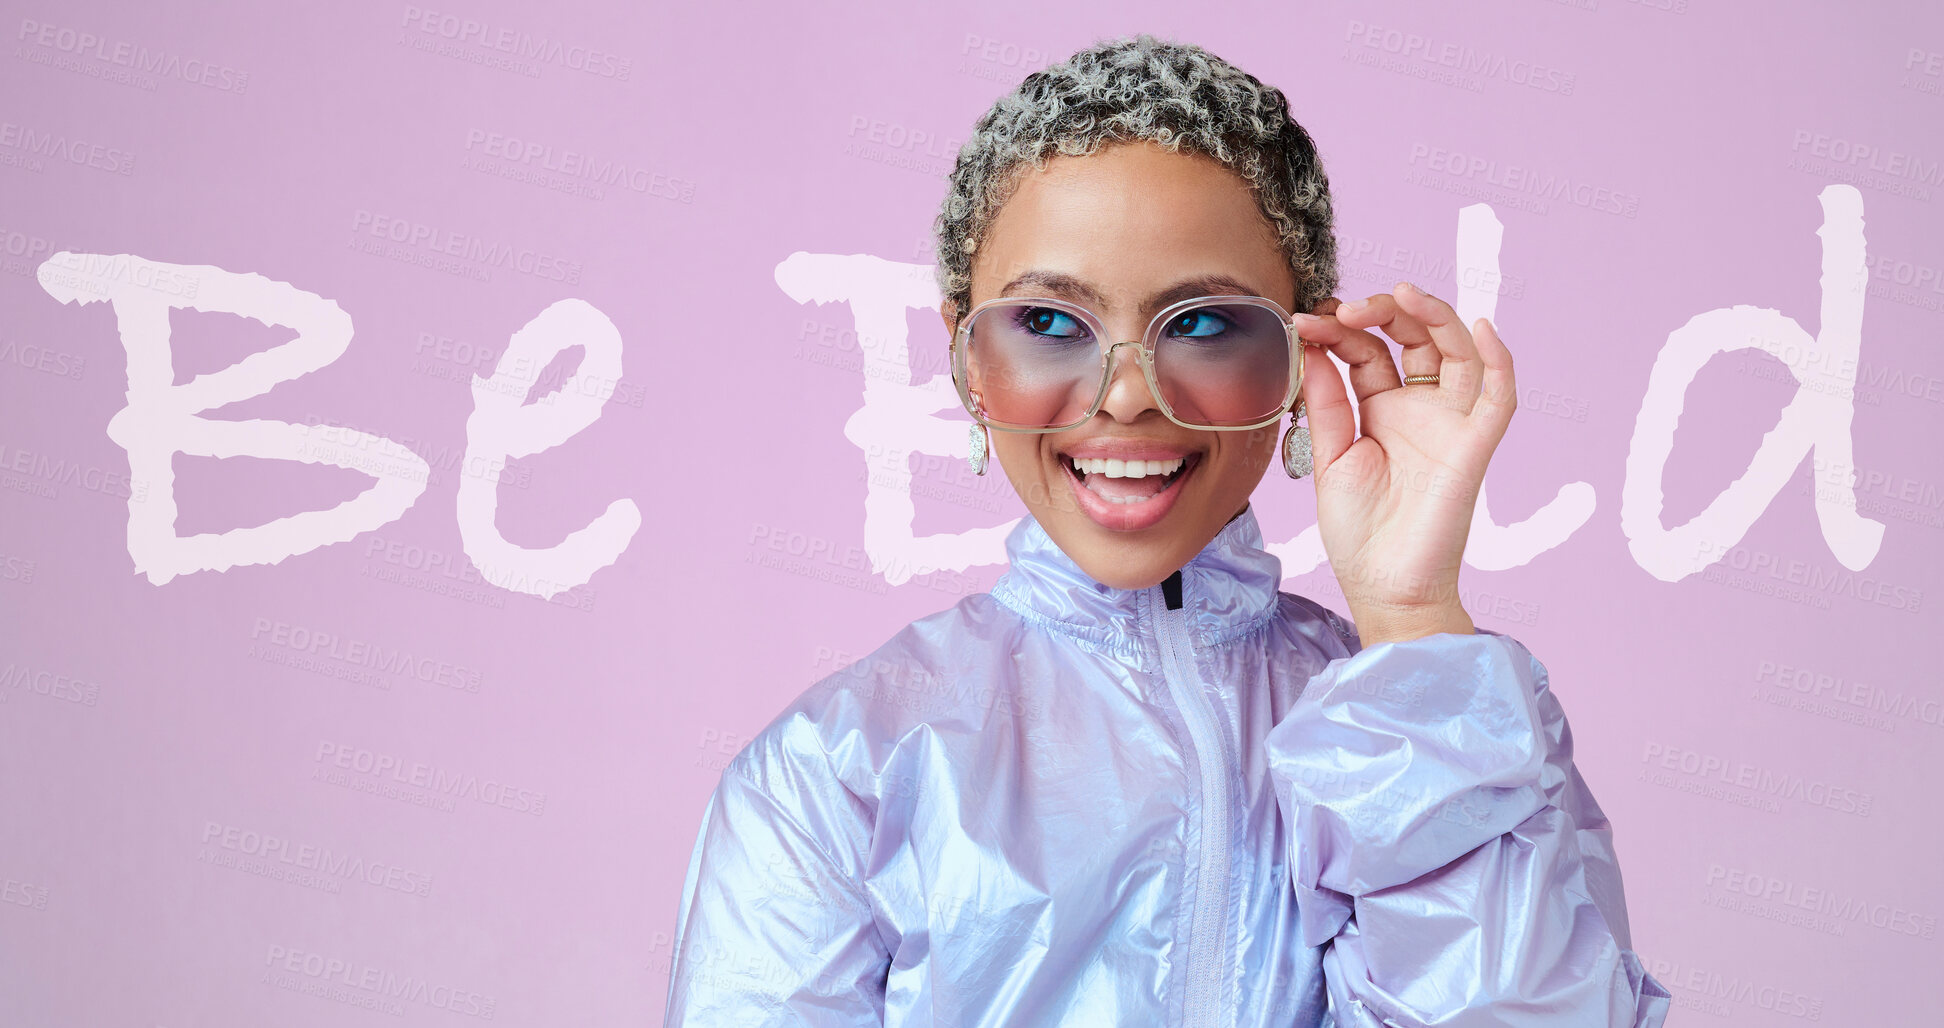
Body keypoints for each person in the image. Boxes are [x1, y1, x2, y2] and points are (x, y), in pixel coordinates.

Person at [663, 33, 1672, 1027]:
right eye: (1050, 325)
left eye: (1201, 324)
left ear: (1301, 353)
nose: (1129, 396)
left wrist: (1411, 618)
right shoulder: (834, 768)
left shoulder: (1458, 728)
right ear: (968, 360)